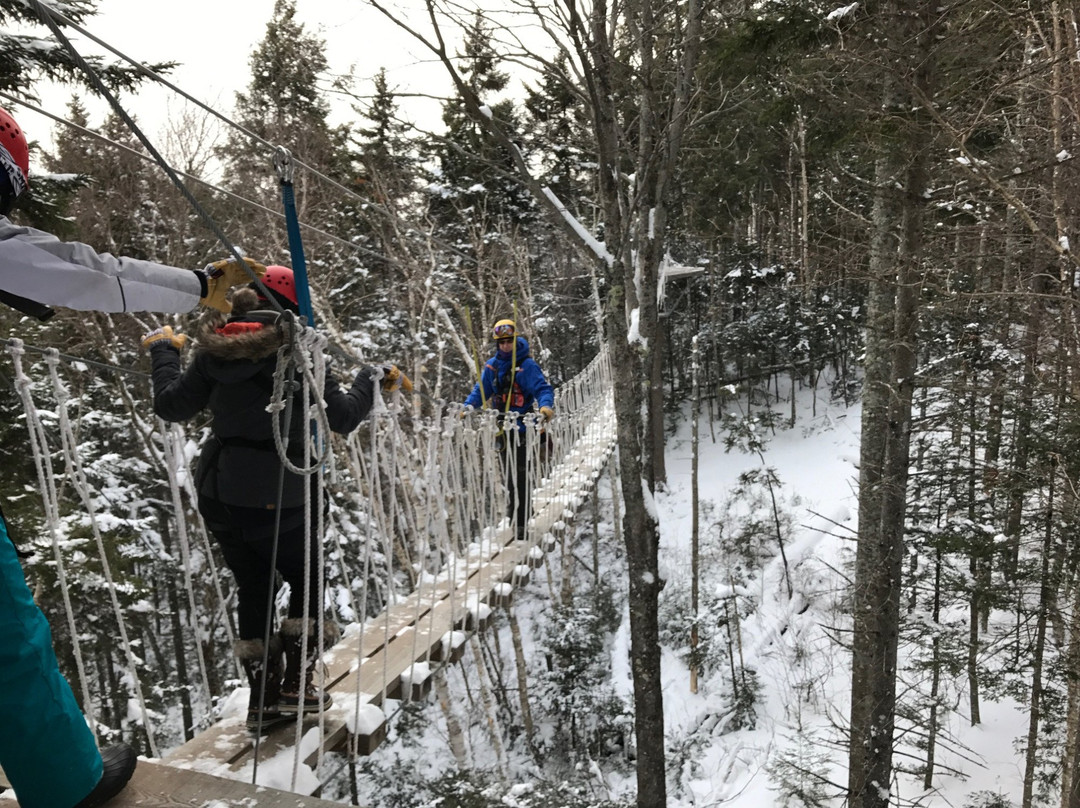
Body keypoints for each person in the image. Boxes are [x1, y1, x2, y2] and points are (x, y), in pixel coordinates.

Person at [0, 105, 263, 808]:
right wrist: (192, 284)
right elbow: (78, 272)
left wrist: (168, 361)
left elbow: (173, 406)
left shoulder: (218, 363)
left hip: (228, 492)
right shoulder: (294, 366)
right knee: (4, 634)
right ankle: (64, 781)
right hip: (260, 500)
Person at [142, 266, 410, 732]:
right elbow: (343, 417)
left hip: (221, 494)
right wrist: (369, 379)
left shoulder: (214, 349)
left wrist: (165, 351)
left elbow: (171, 406)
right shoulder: (300, 350)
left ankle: (263, 696)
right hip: (282, 493)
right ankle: (298, 686)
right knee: (306, 577)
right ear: (292, 306)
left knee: (254, 585)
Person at [463, 318, 554, 540]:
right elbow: (481, 390)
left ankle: (520, 522)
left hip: (523, 427)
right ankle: (516, 514)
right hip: (503, 429)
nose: (505, 346)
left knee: (520, 474)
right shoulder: (492, 366)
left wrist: (545, 407)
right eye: (502, 342)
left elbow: (542, 388)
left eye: (509, 341)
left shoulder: (527, 365)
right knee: (510, 475)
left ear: (515, 340)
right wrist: (468, 406)